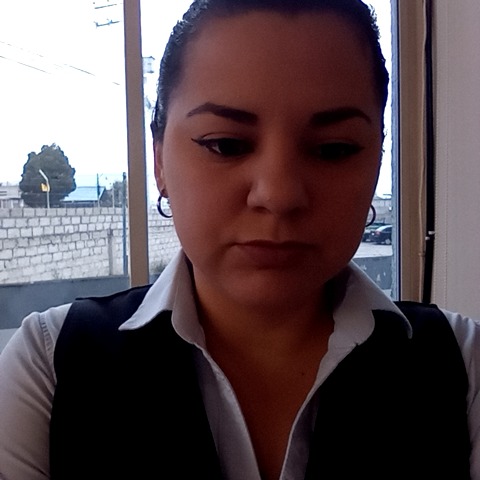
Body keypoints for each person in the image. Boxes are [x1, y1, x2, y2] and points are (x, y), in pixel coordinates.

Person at [1, 0, 479, 478]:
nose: (278, 194)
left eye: (334, 149)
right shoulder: (50, 366)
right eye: (225, 144)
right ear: (160, 160)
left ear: (376, 160)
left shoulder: (462, 364)